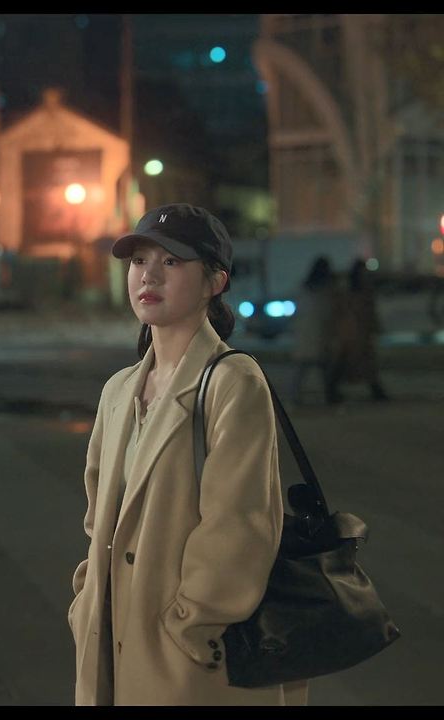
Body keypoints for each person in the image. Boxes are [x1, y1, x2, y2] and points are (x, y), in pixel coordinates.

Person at [67, 203, 307, 705]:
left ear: (215, 282)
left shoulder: (232, 380)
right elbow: (98, 517)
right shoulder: (119, 390)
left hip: (189, 655)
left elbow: (239, 525)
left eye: (171, 262)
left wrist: (191, 623)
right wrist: (86, 599)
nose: (148, 275)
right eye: (139, 261)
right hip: (112, 638)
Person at [329, 260, 389, 402]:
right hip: (351, 332)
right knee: (347, 362)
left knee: (363, 362)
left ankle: (376, 391)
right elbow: (342, 311)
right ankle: (375, 391)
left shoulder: (363, 290)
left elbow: (369, 312)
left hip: (359, 332)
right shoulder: (350, 292)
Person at [291, 257, 338, 404]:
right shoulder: (325, 290)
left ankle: (296, 396)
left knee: (304, 367)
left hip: (306, 332)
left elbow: (299, 311)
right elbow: (327, 312)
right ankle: (329, 395)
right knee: (323, 366)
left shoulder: (305, 288)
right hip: (318, 331)